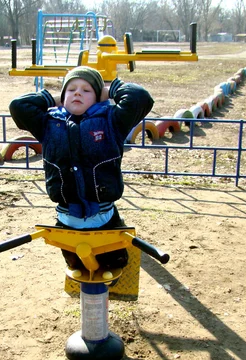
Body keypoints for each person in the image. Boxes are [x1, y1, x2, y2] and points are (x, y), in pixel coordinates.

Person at [9, 66, 154, 270]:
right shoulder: (48, 124)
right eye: (71, 89)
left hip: (106, 221)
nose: (78, 92)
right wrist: (54, 99)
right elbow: (18, 106)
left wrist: (110, 90)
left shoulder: (111, 121)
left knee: (115, 267)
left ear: (98, 97)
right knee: (78, 270)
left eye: (87, 90)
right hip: (67, 223)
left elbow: (140, 98)